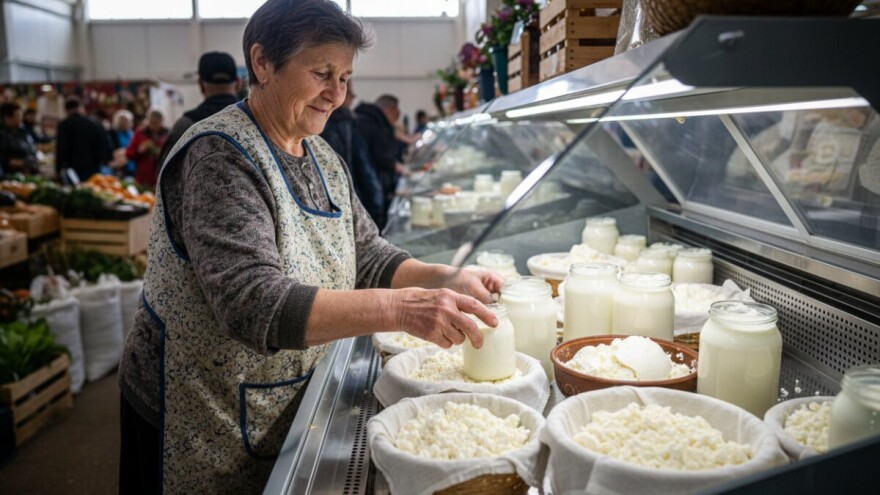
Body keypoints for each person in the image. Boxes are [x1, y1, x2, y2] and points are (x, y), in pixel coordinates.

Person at [117, 1, 501, 493]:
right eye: (321, 73)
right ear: (262, 63)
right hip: (196, 407)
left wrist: (444, 277)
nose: (336, 94)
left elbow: (367, 254)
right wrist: (403, 309)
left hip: (274, 395)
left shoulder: (321, 155)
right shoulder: (218, 155)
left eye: (344, 77)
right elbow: (251, 302)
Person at [158, 51, 242, 166]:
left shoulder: (185, 126)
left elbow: (165, 172)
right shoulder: (256, 122)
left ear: (201, 85)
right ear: (238, 83)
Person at [321, 79, 384, 226]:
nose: (353, 97)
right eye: (349, 93)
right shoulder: (344, 124)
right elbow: (363, 168)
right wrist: (376, 206)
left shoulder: (343, 123)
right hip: (345, 204)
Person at [355, 94, 403, 216]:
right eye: (396, 113)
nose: (397, 117)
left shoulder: (364, 119)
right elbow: (382, 156)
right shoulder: (374, 123)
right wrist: (395, 165)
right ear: (389, 110)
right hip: (371, 189)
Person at [55, 97, 112, 183]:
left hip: (72, 168)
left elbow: (61, 148)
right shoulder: (94, 123)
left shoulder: (64, 125)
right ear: (80, 108)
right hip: (93, 166)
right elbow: (104, 144)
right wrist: (105, 161)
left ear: (66, 110)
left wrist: (58, 169)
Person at [125, 110, 169, 187]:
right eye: (152, 122)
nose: (154, 125)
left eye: (156, 123)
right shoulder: (140, 134)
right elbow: (128, 154)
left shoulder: (167, 136)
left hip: (160, 179)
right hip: (141, 178)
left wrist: (161, 152)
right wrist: (139, 150)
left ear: (161, 122)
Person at [0, 102, 39, 176]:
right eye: (18, 116)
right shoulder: (2, 134)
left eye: (21, 115)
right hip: (11, 176)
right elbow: (3, 159)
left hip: (29, 173)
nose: (21, 118)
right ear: (7, 117)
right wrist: (22, 163)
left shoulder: (22, 130)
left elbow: (31, 146)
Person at [109, 109, 136, 177]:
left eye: (127, 121)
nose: (126, 123)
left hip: (132, 163)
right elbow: (112, 149)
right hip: (119, 164)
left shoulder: (132, 133)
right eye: (123, 121)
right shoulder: (113, 133)